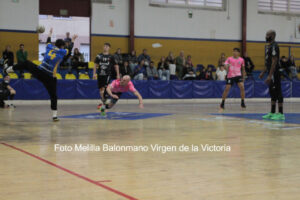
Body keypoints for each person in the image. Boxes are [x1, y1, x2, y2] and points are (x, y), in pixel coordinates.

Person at [4, 28, 75, 121]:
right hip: (49, 77)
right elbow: (69, 49)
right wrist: (73, 40)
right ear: (61, 46)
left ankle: (10, 69)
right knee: (53, 95)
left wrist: (49, 33)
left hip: (40, 72)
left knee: (26, 63)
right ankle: (54, 116)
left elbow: (48, 41)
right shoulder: (62, 51)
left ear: (55, 44)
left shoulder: (49, 47)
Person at [259, 30, 284, 120]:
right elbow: (268, 63)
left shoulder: (274, 46)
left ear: (272, 36)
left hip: (275, 72)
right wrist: (263, 72)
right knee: (272, 92)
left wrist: (270, 75)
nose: (266, 37)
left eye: (267, 35)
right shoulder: (269, 47)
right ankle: (272, 112)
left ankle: (281, 113)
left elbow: (274, 61)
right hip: (270, 72)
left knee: (278, 91)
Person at [93, 42, 120, 110]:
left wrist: (118, 74)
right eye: (104, 46)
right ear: (103, 47)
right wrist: (94, 74)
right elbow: (95, 65)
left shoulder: (111, 56)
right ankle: (103, 101)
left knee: (106, 88)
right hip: (100, 75)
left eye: (107, 47)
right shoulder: (99, 56)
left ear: (109, 48)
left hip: (107, 75)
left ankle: (104, 102)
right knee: (101, 89)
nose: (105, 47)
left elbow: (116, 66)